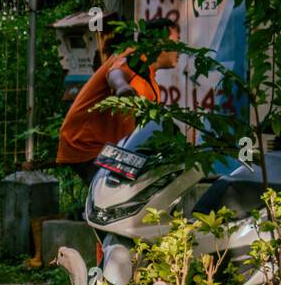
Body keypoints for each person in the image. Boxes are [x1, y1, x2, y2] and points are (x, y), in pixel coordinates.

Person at [25, 18, 180, 186]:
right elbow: (116, 73)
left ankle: (84, 211)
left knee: (141, 182)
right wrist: (122, 88)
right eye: (176, 42)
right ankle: (86, 211)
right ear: (157, 42)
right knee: (111, 195)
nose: (179, 50)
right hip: (88, 144)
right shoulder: (132, 56)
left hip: (113, 150)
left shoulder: (151, 84)